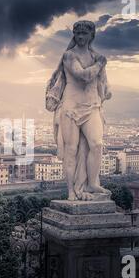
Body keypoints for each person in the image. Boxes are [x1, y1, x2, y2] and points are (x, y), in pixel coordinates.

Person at [45, 20, 112, 201]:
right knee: (71, 150)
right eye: (78, 33)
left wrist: (105, 90)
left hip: (92, 107)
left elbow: (104, 87)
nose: (81, 37)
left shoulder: (97, 57)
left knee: (97, 144)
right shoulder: (69, 56)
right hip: (71, 108)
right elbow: (83, 76)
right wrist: (100, 65)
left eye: (85, 34)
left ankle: (92, 183)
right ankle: (71, 191)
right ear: (74, 35)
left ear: (92, 36)